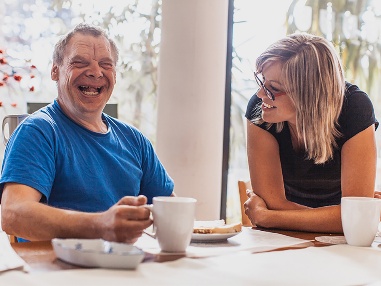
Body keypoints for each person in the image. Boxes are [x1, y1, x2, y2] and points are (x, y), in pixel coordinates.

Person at [0, 23, 174, 243]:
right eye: (79, 63)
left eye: (105, 64)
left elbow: (172, 210)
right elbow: (13, 214)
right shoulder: (38, 132)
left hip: (125, 268)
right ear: (55, 70)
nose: (95, 72)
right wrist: (100, 225)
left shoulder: (135, 140)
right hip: (58, 272)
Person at [244, 33, 378, 233]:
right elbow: (354, 217)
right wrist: (338, 218)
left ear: (308, 94)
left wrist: (268, 217)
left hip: (341, 244)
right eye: (262, 81)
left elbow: (357, 217)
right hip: (282, 236)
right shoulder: (261, 110)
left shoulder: (355, 108)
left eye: (273, 88)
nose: (260, 94)